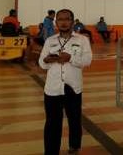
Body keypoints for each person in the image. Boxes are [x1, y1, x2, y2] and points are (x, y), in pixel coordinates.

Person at [38, 9, 92, 155]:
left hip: (73, 88)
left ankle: (74, 146)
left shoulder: (82, 40)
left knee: (74, 120)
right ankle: (51, 151)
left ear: (73, 22)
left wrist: (71, 58)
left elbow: (87, 61)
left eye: (67, 19)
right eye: (60, 19)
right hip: (53, 88)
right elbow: (42, 64)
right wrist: (47, 60)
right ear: (56, 22)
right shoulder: (50, 41)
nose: (63, 22)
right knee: (52, 123)